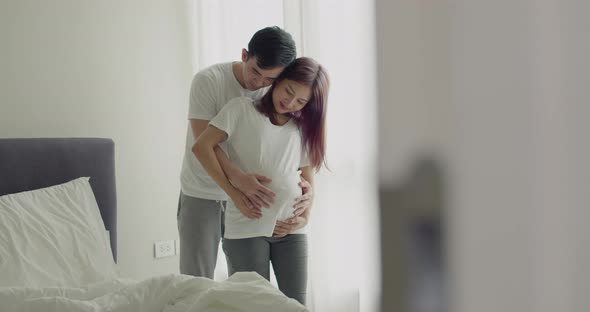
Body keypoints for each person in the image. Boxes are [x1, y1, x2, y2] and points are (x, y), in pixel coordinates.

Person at [177, 26, 314, 279]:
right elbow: (205, 143)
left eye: (270, 79)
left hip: (252, 199)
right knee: (196, 279)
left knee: (243, 284)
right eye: (256, 72)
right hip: (203, 191)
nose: (260, 83)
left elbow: (291, 144)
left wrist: (307, 195)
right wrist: (236, 181)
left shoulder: (278, 92)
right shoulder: (209, 80)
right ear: (244, 55)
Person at [193, 57, 329, 305]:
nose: (289, 102)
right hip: (247, 226)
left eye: (300, 100)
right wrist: (235, 194)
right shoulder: (240, 109)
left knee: (296, 306)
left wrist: (305, 216)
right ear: (279, 80)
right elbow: (202, 146)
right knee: (252, 306)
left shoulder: (301, 127)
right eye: (288, 91)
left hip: (291, 229)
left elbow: (308, 177)